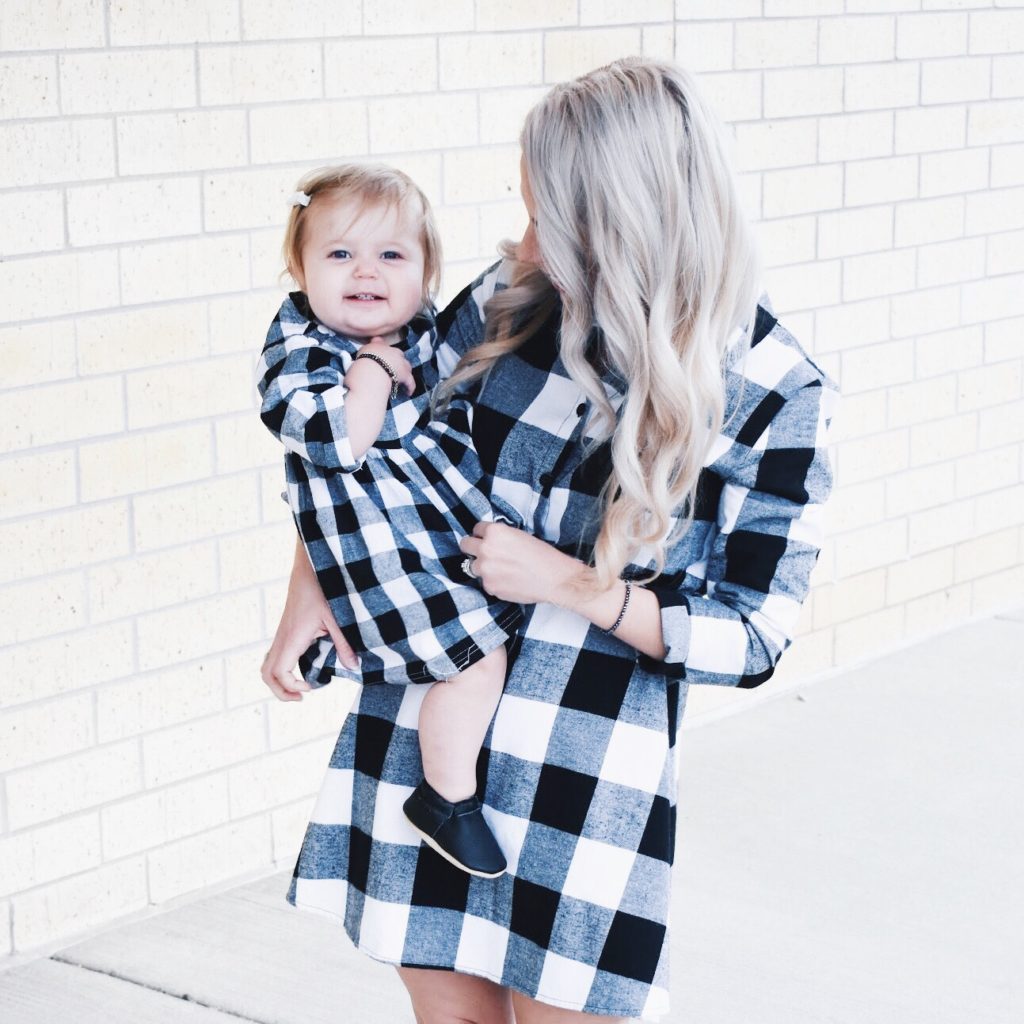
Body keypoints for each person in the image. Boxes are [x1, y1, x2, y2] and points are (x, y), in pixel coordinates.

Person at [261, 58, 838, 1023]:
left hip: (585, 762)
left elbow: (754, 634)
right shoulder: (513, 295)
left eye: (547, 218)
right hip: (429, 724)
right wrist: (308, 588)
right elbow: (366, 445)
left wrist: (573, 584)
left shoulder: (773, 386)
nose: (522, 241)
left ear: (620, 223)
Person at [257, 163, 527, 879]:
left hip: (429, 538)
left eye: (392, 255)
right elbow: (342, 442)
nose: (365, 272)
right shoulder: (303, 352)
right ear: (299, 267)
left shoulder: (421, 329)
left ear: (427, 271)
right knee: (476, 657)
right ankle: (446, 796)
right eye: (339, 253)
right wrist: (371, 372)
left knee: (490, 642)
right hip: (385, 552)